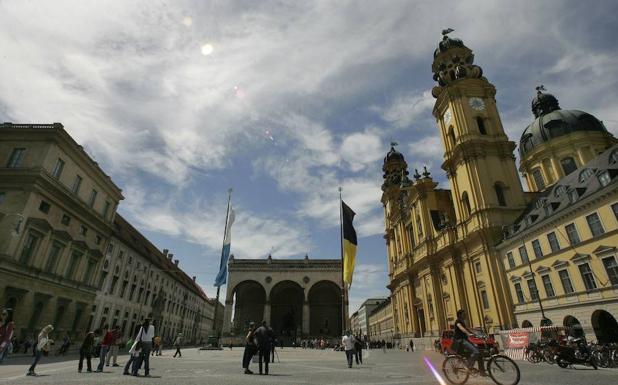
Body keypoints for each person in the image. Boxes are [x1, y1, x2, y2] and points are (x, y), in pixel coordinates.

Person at [453, 309, 485, 376]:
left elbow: (469, 329)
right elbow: (461, 328)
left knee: (478, 351)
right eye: (464, 314)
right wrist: (468, 333)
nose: (465, 315)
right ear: (460, 315)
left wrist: (478, 335)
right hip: (460, 341)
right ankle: (467, 366)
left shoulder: (463, 322)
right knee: (476, 352)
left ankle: (479, 370)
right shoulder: (458, 321)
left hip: (465, 340)